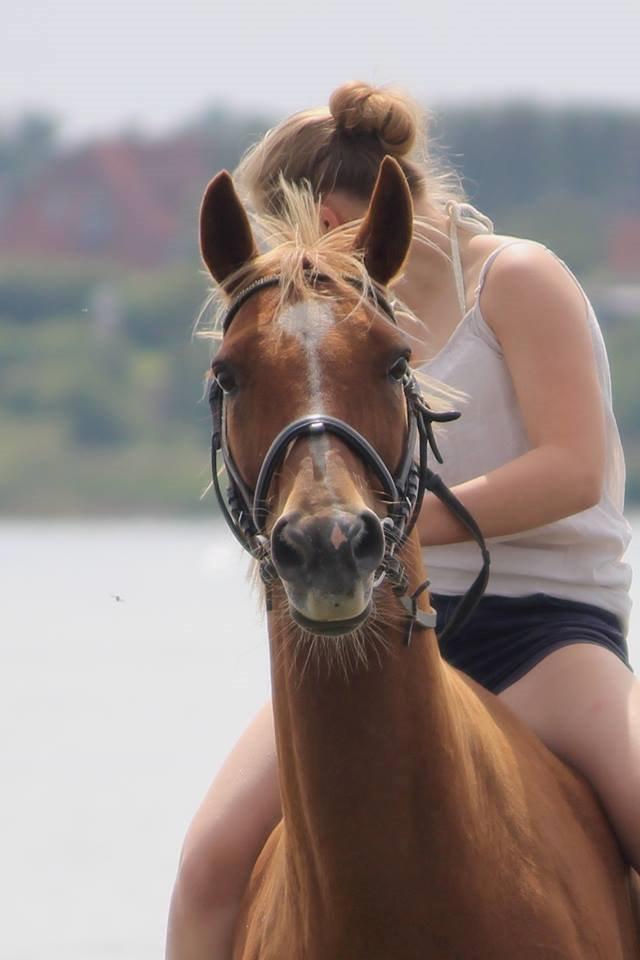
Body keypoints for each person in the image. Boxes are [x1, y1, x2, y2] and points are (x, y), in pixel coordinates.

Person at [165, 82, 639, 960]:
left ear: (335, 217)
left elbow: (575, 468)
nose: (289, 261)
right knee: (208, 868)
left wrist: (398, 524)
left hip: (544, 639)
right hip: (392, 629)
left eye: (290, 233)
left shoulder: (517, 279)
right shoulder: (325, 323)